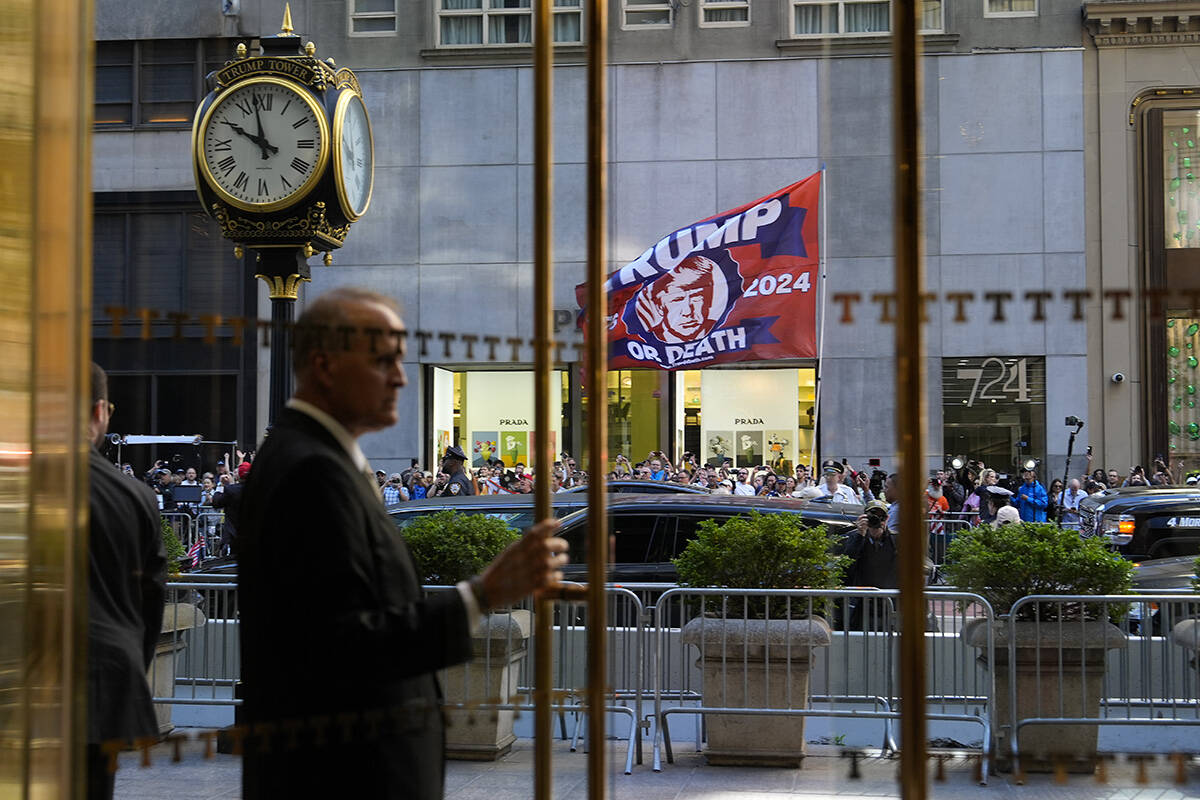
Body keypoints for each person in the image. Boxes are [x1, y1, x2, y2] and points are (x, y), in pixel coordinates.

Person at [237, 288, 568, 800]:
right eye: (384, 360)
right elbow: (340, 647)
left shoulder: (320, 460)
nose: (400, 376)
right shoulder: (311, 471)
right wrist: (481, 595)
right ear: (324, 364)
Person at [86, 363, 166, 800]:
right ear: (100, 412)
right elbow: (150, 601)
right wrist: (133, 661)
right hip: (105, 681)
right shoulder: (135, 496)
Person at [839, 500, 898, 630]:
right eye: (872, 516)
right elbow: (846, 566)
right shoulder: (854, 538)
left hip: (889, 604)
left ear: (887, 519)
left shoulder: (897, 540)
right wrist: (860, 534)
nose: (877, 520)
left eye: (881, 516)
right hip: (861, 605)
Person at [211, 462, 248, 556]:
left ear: (239, 476)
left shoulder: (231, 490)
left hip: (234, 534)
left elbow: (216, 503)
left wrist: (220, 485)